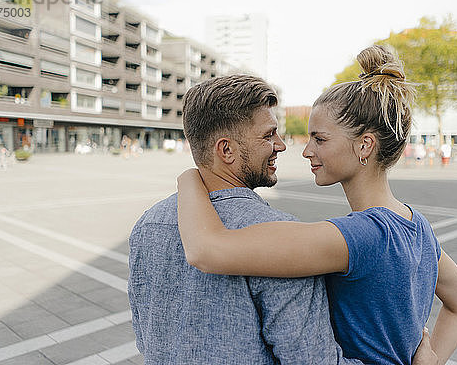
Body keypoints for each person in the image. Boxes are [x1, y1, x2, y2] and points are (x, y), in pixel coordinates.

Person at [177, 46, 457, 365]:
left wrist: (189, 177)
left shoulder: (358, 236)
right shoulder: (418, 227)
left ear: (365, 145)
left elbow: (206, 251)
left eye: (320, 139)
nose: (306, 151)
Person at [129, 74, 437, 365]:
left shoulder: (146, 226)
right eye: (268, 135)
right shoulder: (279, 233)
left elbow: (146, 336)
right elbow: (312, 359)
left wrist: (189, 178)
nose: (283, 144)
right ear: (226, 150)